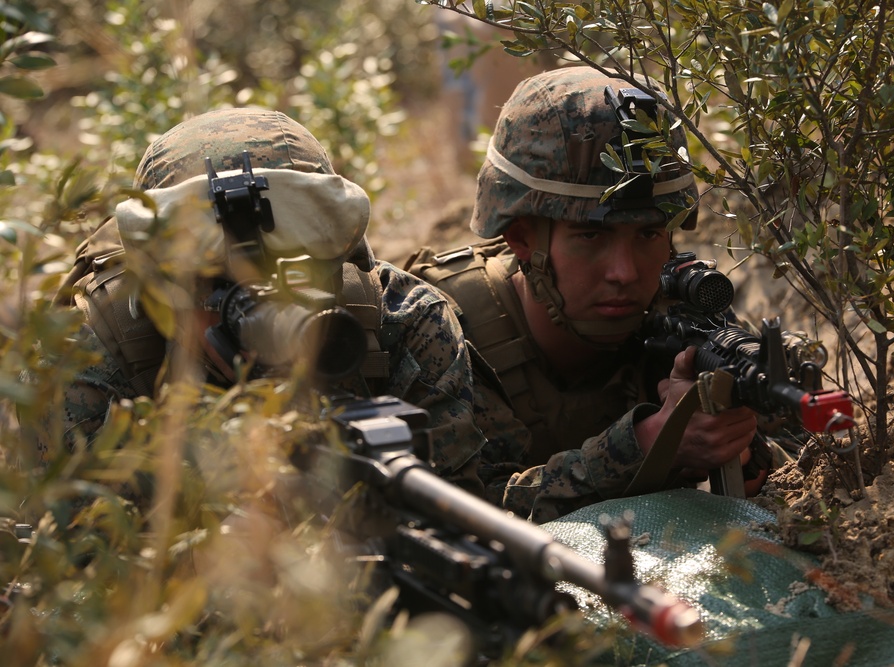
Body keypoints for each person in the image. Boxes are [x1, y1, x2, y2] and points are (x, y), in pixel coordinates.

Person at [33, 107, 485, 496]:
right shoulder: (85, 355)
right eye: (219, 285)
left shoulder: (403, 319)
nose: (266, 307)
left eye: (292, 274)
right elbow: (78, 570)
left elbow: (457, 500)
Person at [407, 67, 771, 523]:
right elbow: (459, 512)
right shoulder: (443, 328)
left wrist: (744, 458)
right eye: (591, 237)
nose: (624, 273)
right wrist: (645, 443)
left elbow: (800, 448)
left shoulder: (681, 313)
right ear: (522, 239)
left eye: (648, 234)